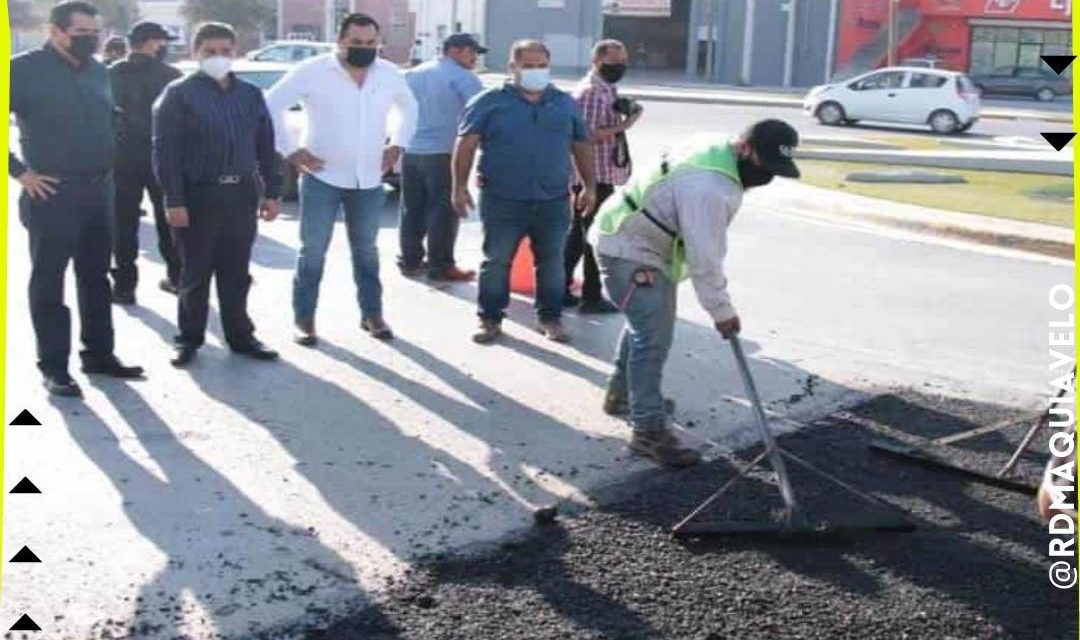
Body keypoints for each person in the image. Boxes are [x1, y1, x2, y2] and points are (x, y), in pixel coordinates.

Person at [589, 119, 802, 468]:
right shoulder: (709, 188)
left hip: (637, 238)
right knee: (652, 337)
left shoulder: (716, 148)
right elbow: (706, 260)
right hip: (629, 248)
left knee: (647, 326)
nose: (768, 176)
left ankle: (623, 396)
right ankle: (648, 431)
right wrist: (722, 312)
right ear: (745, 149)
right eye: (766, 165)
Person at [9, 1, 145, 397]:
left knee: (96, 277)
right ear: (55, 31)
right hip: (52, 192)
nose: (91, 39)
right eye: (81, 32)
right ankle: (54, 367)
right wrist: (20, 172)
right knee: (49, 281)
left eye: (95, 32)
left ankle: (99, 355)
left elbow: (107, 118)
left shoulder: (99, 70)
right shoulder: (23, 70)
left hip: (99, 189)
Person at [265, 13, 418, 347]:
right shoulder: (314, 71)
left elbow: (410, 108)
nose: (364, 49)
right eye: (356, 43)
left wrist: (398, 144)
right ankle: (304, 319)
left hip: (368, 180)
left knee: (366, 251)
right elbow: (270, 105)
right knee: (313, 252)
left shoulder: (389, 74)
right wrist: (291, 150)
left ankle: (372, 314)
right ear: (340, 41)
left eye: (370, 43)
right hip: (323, 178)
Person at [153, 22, 282, 367]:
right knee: (194, 271)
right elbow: (166, 153)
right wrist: (174, 199)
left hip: (240, 193)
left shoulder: (250, 95)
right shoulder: (178, 94)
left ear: (236, 52)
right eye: (210, 51)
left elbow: (266, 145)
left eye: (226, 51)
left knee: (237, 271)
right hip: (197, 195)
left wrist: (271, 191)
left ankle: (241, 336)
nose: (219, 58)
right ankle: (189, 339)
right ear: (195, 53)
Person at [452, 39, 596, 345]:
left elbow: (581, 144)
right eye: (527, 66)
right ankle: (490, 318)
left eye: (541, 65)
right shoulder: (489, 101)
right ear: (512, 67)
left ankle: (550, 318)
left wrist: (589, 185)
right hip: (503, 198)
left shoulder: (564, 102)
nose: (535, 71)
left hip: (553, 198)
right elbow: (465, 145)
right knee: (497, 261)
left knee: (552, 262)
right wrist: (458, 187)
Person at [399, 33, 486, 283]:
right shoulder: (463, 77)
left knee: (412, 208)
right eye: (472, 52)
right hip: (444, 152)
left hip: (412, 150)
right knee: (445, 210)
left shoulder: (415, 73)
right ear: (455, 50)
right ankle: (441, 265)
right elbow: (482, 111)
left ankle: (410, 260)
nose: (474, 58)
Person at [109, 21, 182, 305]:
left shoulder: (111, 74)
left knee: (123, 222)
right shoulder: (171, 75)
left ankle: (125, 285)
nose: (164, 47)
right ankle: (177, 277)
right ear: (151, 42)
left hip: (122, 157)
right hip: (162, 156)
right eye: (162, 41)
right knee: (169, 219)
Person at [565, 39, 640, 315]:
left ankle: (561, 288)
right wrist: (625, 125)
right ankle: (591, 297)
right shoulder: (591, 93)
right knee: (595, 236)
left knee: (578, 234)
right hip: (591, 176)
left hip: (599, 174)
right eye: (614, 63)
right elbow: (585, 136)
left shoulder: (605, 89)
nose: (620, 67)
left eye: (623, 63)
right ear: (597, 62)